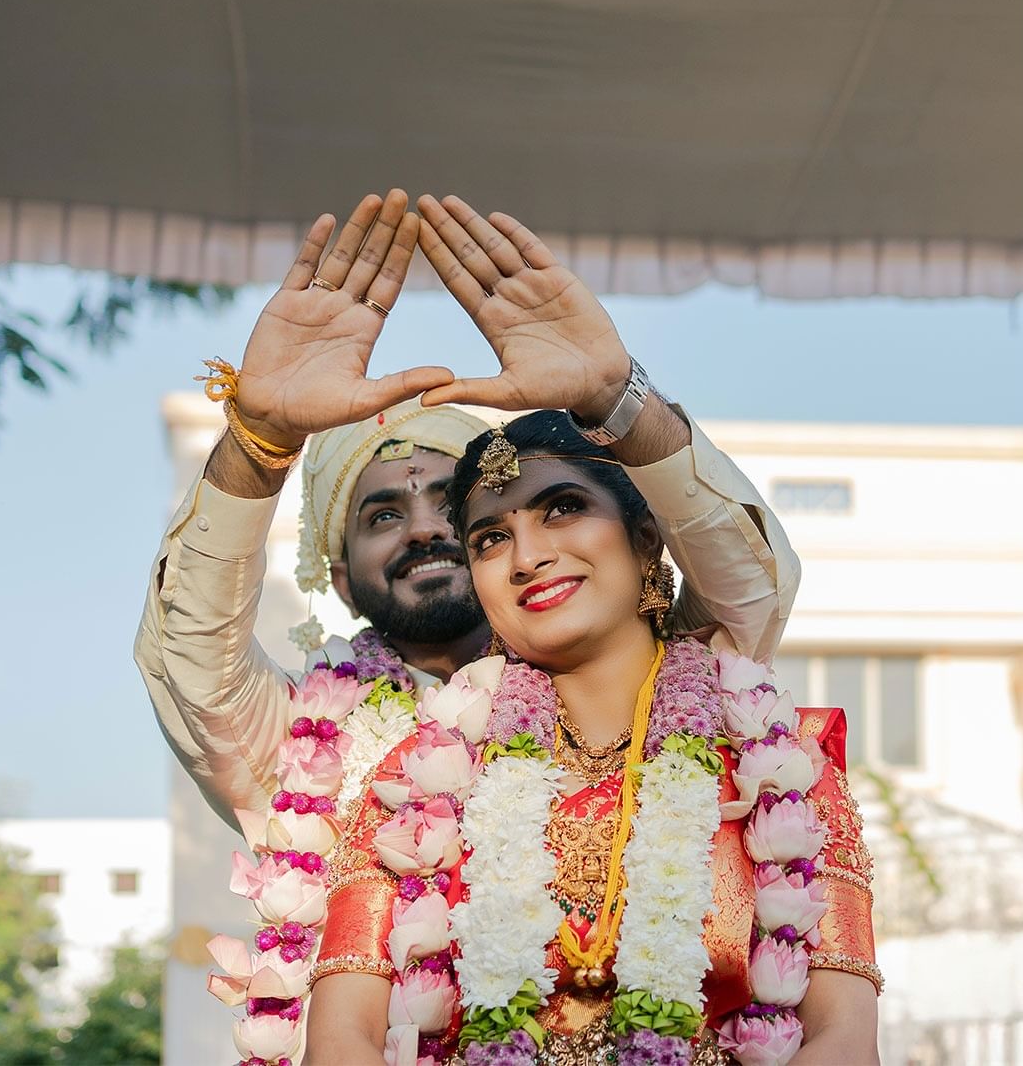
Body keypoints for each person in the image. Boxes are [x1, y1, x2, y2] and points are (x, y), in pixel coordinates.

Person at [136, 190, 802, 833]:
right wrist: (261, 442)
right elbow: (192, 668)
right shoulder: (307, 744)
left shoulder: (649, 682)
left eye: (462, 523)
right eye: (383, 517)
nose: (426, 530)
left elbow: (748, 584)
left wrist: (615, 399)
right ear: (339, 578)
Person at [303, 408, 882, 1066]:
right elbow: (341, 1043)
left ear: (643, 539)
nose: (526, 557)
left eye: (562, 508)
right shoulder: (418, 781)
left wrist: (618, 395)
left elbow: (843, 1040)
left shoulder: (776, 765)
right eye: (491, 539)